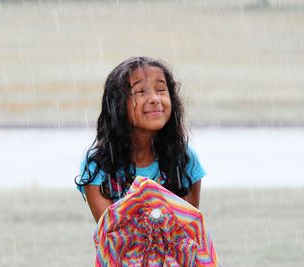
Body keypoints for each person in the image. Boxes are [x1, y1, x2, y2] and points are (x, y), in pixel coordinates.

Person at [75, 57, 206, 222]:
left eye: (160, 89)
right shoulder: (98, 164)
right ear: (118, 104)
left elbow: (189, 229)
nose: (155, 99)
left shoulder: (184, 158)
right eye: (141, 92)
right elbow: (112, 235)